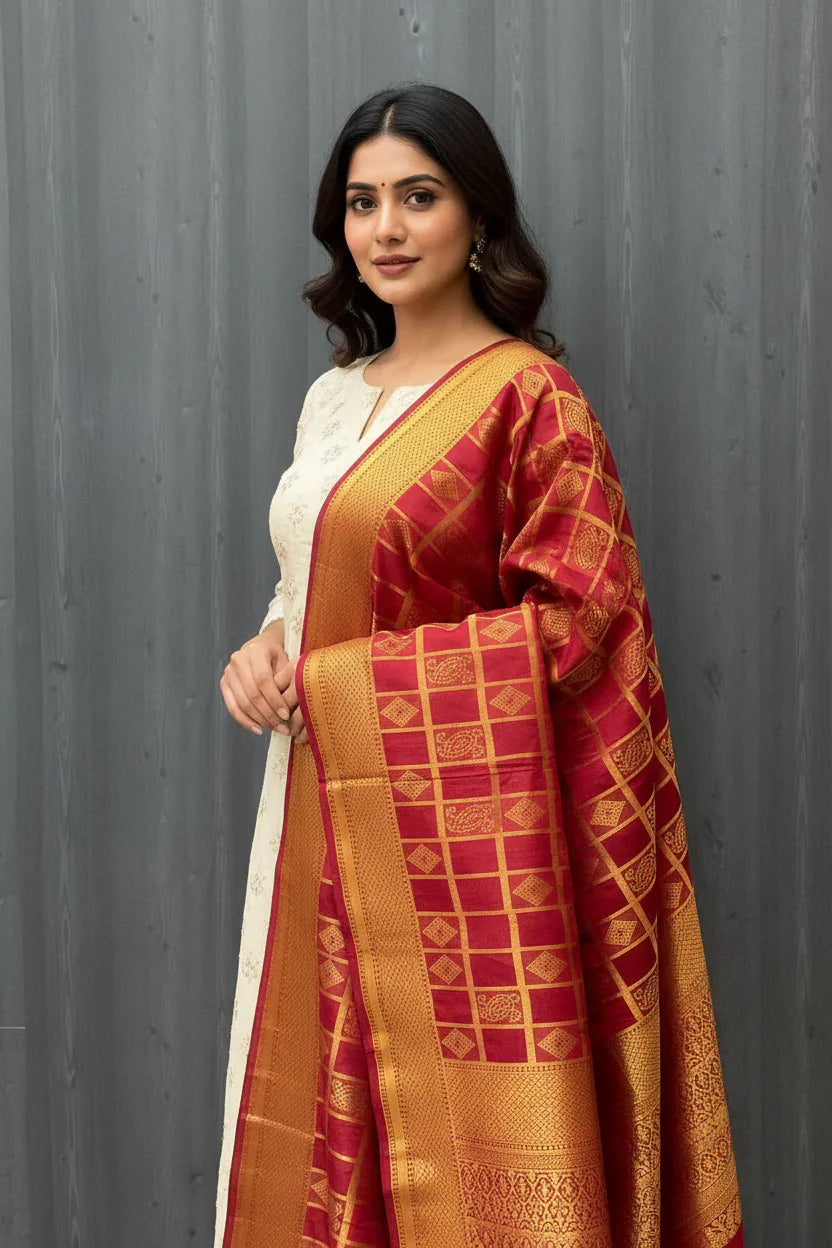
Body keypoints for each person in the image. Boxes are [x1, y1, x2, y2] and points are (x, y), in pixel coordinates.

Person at [214, 82, 743, 1248]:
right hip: (310, 813)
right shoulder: (329, 399)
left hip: (455, 861)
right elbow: (307, 582)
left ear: (477, 217)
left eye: (419, 196)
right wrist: (265, 648)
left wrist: (342, 688)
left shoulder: (531, 402)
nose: (386, 229)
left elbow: (584, 623)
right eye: (362, 203)